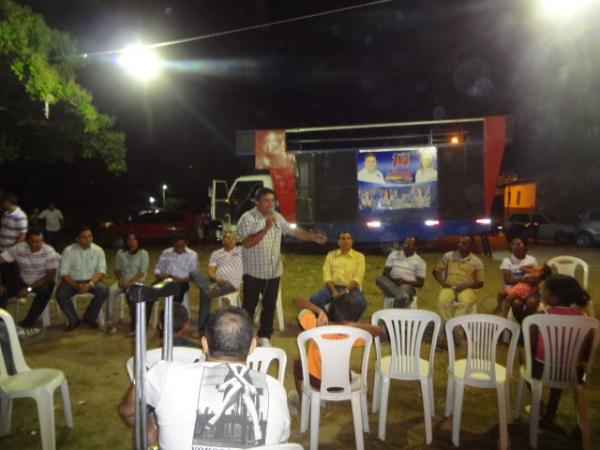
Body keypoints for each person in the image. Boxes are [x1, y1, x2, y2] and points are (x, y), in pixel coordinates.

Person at [119, 307, 290, 450]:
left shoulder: (164, 374)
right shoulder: (275, 389)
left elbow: (128, 410)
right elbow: (281, 440)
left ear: (204, 344)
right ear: (253, 346)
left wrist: (150, 429)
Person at [237, 187, 326, 347]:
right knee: (249, 306)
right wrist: (265, 228)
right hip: (254, 273)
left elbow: (293, 231)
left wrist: (313, 237)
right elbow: (247, 243)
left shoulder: (277, 216)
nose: (271, 204)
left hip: (273, 272)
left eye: (273, 200)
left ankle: (265, 336)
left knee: (269, 305)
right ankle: (245, 336)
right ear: (257, 202)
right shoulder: (247, 219)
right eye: (267, 200)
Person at [529, 274, 592, 427]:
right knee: (561, 361)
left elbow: (531, 348)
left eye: (544, 290)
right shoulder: (586, 319)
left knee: (523, 357)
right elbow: (588, 353)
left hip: (543, 370)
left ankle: (539, 403)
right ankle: (551, 408)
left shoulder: (541, 317)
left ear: (555, 297)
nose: (541, 291)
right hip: (574, 373)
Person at [293, 296, 382, 396]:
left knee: (297, 364)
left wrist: (319, 311)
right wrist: (355, 326)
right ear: (352, 319)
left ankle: (302, 400)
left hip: (317, 382)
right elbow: (379, 330)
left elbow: (299, 302)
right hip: (343, 382)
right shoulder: (352, 334)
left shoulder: (315, 325)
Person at [0, 229, 59, 337]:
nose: (38, 244)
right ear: (27, 241)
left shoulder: (49, 252)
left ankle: (27, 324)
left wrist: (28, 289)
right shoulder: (19, 248)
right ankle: (3, 324)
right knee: (1, 291)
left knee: (46, 290)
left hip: (42, 281)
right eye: (34, 242)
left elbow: (49, 276)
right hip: (23, 279)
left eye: (40, 241)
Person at [56, 226, 108, 331]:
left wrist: (90, 284)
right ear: (77, 239)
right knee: (61, 294)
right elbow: (63, 273)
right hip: (72, 281)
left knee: (103, 290)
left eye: (90, 236)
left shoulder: (98, 250)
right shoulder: (69, 250)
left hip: (92, 281)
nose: (88, 239)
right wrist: (75, 285)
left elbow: (101, 271)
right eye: (84, 237)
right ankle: (73, 319)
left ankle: (89, 317)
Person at [190, 231, 242, 333]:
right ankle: (207, 288)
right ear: (223, 241)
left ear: (236, 241)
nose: (230, 240)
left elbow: (258, 251)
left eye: (233, 238)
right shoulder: (216, 254)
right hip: (216, 282)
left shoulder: (241, 251)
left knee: (205, 293)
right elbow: (210, 271)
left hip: (230, 284)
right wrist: (216, 279)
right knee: (194, 273)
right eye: (228, 238)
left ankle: (202, 329)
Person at [309, 231, 367, 320]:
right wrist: (333, 291)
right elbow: (327, 275)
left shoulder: (359, 257)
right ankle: (328, 320)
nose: (346, 241)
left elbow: (358, 278)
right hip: (332, 287)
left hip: (350, 288)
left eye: (348, 238)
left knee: (361, 303)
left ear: (352, 241)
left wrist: (345, 292)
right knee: (314, 300)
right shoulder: (331, 255)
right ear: (338, 242)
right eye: (343, 239)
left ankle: (350, 323)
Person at [433, 236, 484, 328]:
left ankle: (455, 327)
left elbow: (480, 282)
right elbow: (435, 272)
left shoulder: (477, 262)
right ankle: (448, 327)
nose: (460, 245)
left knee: (466, 302)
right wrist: (444, 284)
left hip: (468, 288)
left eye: (464, 243)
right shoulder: (449, 256)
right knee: (442, 301)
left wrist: (465, 286)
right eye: (459, 243)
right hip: (449, 287)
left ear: (471, 246)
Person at [105, 232, 149, 334]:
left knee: (131, 294)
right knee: (111, 291)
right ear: (126, 241)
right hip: (122, 281)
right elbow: (117, 269)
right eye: (129, 239)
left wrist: (130, 283)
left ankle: (135, 324)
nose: (132, 242)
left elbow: (142, 272)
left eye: (134, 239)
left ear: (138, 241)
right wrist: (121, 279)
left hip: (137, 282)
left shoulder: (143, 253)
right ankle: (110, 322)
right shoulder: (121, 253)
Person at [496, 238, 544, 323]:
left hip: (530, 288)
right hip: (515, 288)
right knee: (516, 304)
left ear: (525, 246)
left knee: (531, 302)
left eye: (519, 244)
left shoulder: (531, 259)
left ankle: (525, 322)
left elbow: (537, 277)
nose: (515, 246)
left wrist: (529, 280)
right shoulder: (507, 261)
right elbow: (508, 280)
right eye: (513, 244)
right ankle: (523, 323)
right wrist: (525, 279)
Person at [376, 236, 426, 308]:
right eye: (405, 243)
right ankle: (403, 297)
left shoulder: (420, 262)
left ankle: (396, 314)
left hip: (407, 286)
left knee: (403, 289)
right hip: (391, 283)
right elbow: (385, 273)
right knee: (379, 278)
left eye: (409, 245)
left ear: (416, 247)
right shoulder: (394, 254)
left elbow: (420, 283)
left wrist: (405, 282)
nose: (405, 246)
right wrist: (394, 280)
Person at [153, 233, 199, 308]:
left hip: (181, 283)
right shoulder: (166, 252)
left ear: (186, 244)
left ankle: (170, 317)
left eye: (181, 246)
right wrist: (159, 274)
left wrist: (180, 280)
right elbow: (158, 268)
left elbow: (194, 275)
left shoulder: (192, 255)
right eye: (176, 246)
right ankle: (141, 318)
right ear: (173, 244)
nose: (178, 249)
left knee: (177, 292)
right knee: (149, 292)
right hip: (165, 281)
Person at [0, 193, 28, 290]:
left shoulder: (20, 216)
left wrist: (12, 250)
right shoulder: (6, 213)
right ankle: (5, 294)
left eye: (3, 202)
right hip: (2, 248)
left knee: (12, 274)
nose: (2, 204)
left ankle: (20, 292)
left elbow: (22, 235)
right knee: (4, 273)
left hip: (11, 250)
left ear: (8, 202)